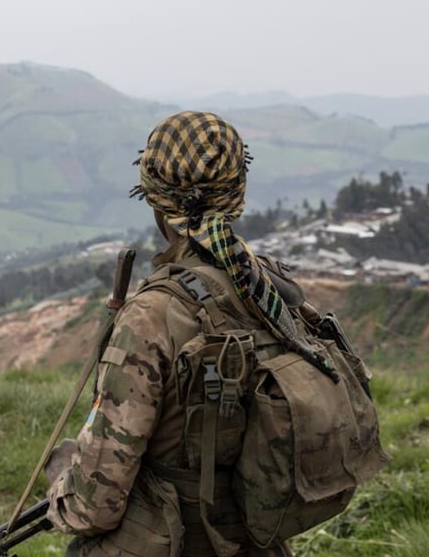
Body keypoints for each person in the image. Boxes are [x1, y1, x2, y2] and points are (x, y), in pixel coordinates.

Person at [44, 111, 325, 557]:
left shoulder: (152, 315)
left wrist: (63, 482)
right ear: (238, 192)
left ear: (155, 200)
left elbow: (96, 507)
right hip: (258, 539)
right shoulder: (272, 289)